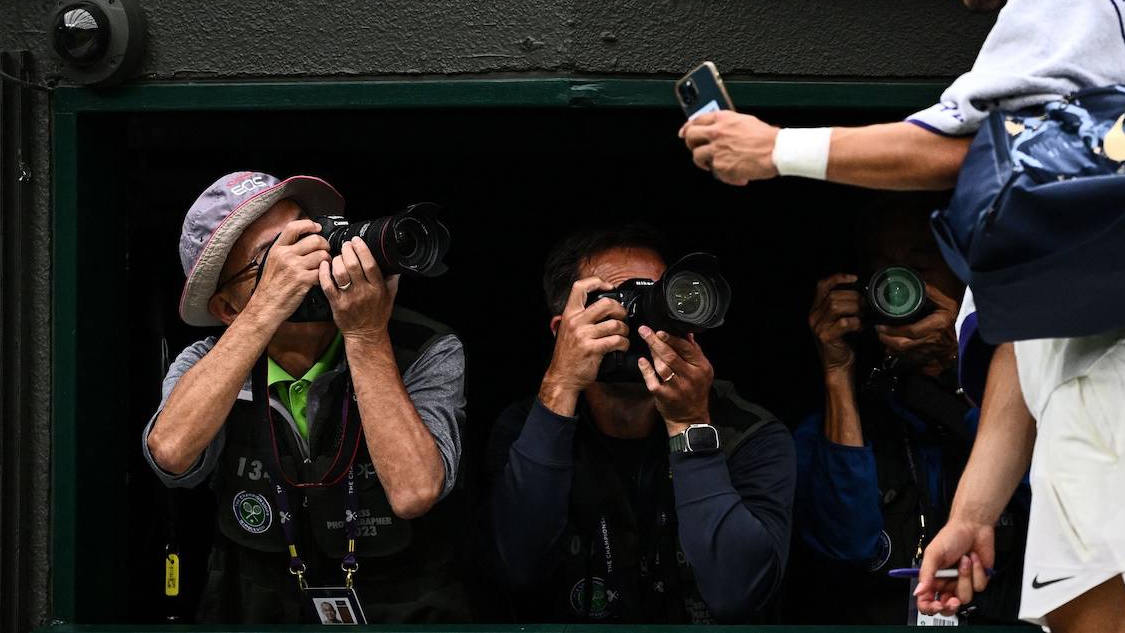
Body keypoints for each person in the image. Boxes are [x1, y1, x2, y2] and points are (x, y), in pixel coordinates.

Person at [679, 0, 1125, 633]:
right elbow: (1031, 321)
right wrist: (974, 508)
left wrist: (773, 149)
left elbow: (952, 145)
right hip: (1105, 380)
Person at [142, 171, 468, 622]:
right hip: (259, 610)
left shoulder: (425, 348)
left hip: (405, 610)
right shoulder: (207, 363)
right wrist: (264, 311)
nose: (307, 261)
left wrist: (367, 335)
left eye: (309, 236)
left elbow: (414, 492)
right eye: (272, 259)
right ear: (227, 308)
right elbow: (171, 456)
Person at [479, 224, 796, 623]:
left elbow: (740, 595)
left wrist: (689, 424)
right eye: (615, 303)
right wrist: (559, 385)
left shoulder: (748, 433)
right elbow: (515, 567)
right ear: (564, 332)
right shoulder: (526, 427)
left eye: (656, 300)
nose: (643, 323)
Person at [787, 196, 1028, 626]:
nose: (899, 285)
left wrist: (963, 358)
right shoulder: (841, 421)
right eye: (882, 269)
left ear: (962, 276)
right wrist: (837, 372)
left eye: (919, 267)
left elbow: (1045, 486)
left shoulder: (1021, 388)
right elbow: (846, 546)